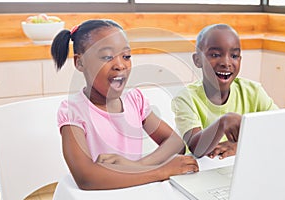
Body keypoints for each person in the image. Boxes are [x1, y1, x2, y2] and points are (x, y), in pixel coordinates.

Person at [51, 19, 198, 190]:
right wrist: (160, 171)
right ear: (80, 62)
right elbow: (86, 179)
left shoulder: (134, 100)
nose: (120, 65)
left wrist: (136, 166)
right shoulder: (73, 111)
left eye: (126, 56)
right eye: (107, 57)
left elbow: (176, 143)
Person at [171, 23, 278, 159]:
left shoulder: (253, 91)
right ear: (197, 60)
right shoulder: (185, 98)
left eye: (234, 56)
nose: (226, 63)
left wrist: (239, 146)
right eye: (215, 54)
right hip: (201, 171)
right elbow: (196, 148)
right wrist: (223, 123)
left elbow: (278, 129)